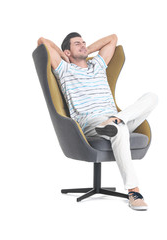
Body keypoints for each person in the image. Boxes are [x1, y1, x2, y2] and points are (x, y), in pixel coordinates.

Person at [37, 33, 158, 210]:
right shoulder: (65, 69)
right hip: (91, 122)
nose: (83, 45)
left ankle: (117, 120)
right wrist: (65, 57)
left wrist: (86, 50)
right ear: (67, 51)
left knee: (152, 97)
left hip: (113, 120)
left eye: (84, 42)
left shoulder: (97, 65)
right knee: (120, 130)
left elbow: (113, 38)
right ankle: (134, 192)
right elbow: (42, 42)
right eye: (77, 44)